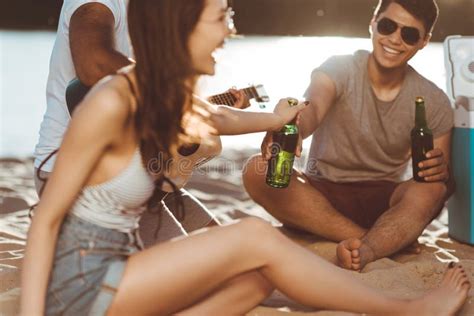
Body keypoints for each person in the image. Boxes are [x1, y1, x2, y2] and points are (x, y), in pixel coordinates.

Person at [21, 0, 469, 315]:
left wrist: (278, 117)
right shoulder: (114, 97)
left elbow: (220, 116)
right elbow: (45, 223)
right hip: (85, 286)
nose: (230, 30)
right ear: (185, 25)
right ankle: (406, 310)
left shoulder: (160, 93)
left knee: (256, 278)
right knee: (253, 237)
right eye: (222, 16)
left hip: (124, 265)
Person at [243, 0, 456, 272]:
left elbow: (441, 181)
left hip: (385, 202)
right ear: (373, 24)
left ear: (424, 41)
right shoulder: (339, 68)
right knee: (256, 170)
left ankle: (366, 248)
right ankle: (376, 240)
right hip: (320, 197)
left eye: (409, 34)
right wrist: (295, 128)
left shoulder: (434, 100)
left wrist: (440, 170)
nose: (394, 39)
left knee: (432, 189)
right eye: (387, 26)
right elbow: (314, 105)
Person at [32, 0, 250, 245]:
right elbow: (93, 64)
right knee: (206, 269)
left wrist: (203, 109)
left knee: (222, 246)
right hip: (83, 180)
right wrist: (185, 102)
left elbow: (150, 104)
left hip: (141, 173)